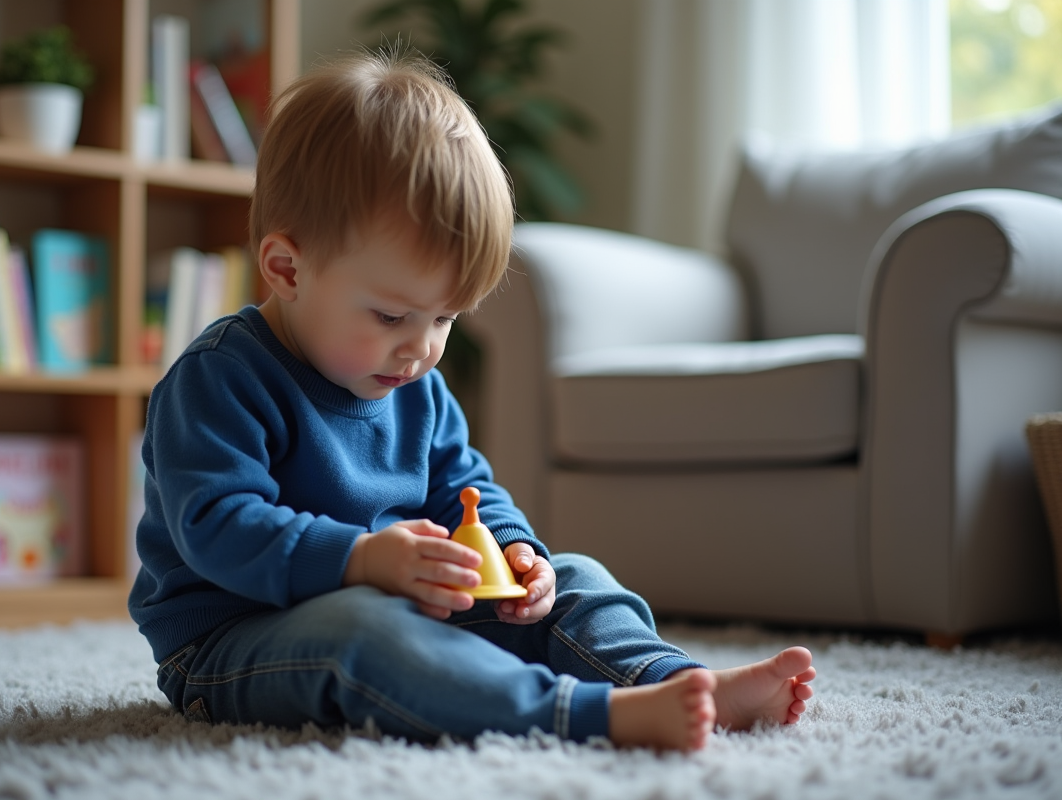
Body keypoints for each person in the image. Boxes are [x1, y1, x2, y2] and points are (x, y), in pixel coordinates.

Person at [128, 49, 815, 752]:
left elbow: (467, 488)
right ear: (287, 268)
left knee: (577, 576)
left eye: (446, 319)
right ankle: (590, 717)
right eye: (393, 317)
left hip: (401, 603)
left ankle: (667, 679)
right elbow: (218, 526)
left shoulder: (412, 382)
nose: (422, 349)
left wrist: (516, 554)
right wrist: (360, 559)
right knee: (367, 636)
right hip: (235, 640)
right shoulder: (218, 378)